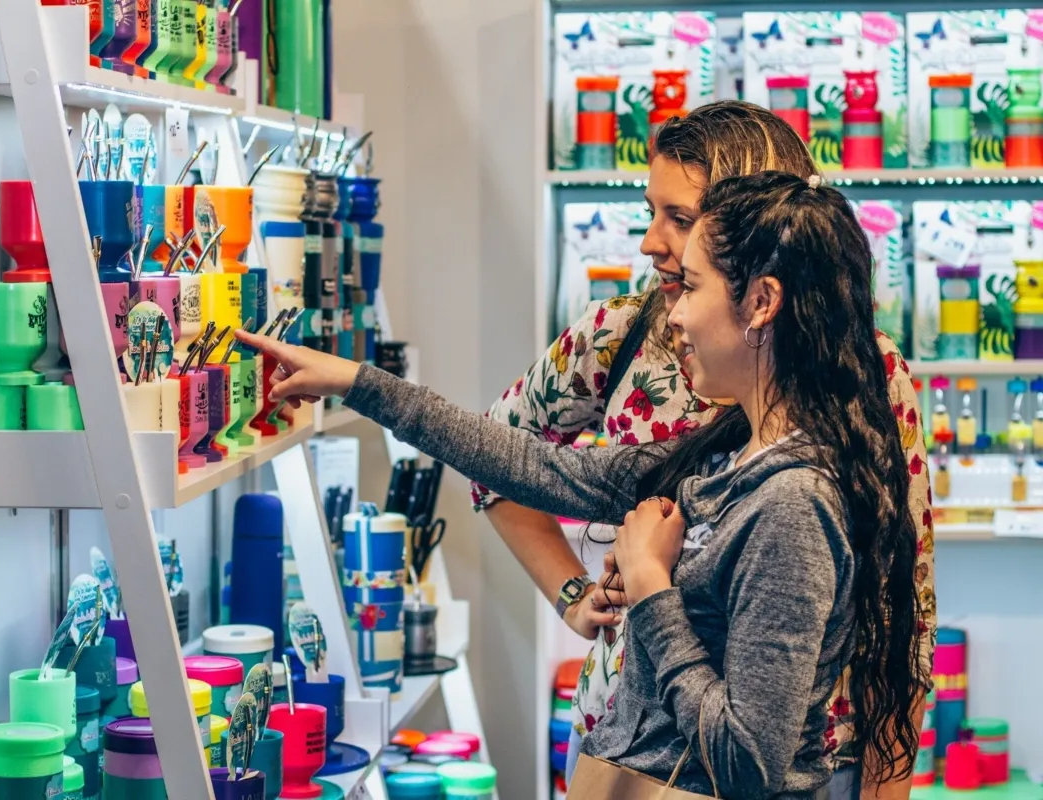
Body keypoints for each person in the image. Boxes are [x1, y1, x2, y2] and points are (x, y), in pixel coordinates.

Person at [235, 171, 928, 799]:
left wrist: (652, 586)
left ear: (762, 302)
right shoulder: (721, 456)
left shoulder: (792, 506)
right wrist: (357, 383)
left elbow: (750, 763)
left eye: (692, 287)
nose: (676, 314)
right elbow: (530, 464)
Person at [473, 102, 935, 799]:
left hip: (801, 760)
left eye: (679, 219)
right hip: (632, 755)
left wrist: (887, 785)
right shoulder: (618, 333)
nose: (653, 243)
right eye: (651, 211)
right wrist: (573, 594)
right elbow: (497, 457)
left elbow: (905, 603)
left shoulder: (866, 371)